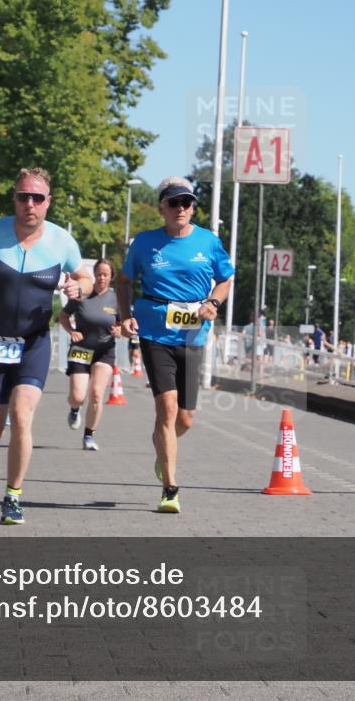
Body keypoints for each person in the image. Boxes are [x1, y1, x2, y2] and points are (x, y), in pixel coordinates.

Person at [0, 167, 92, 525]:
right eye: (23, 197)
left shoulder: (62, 241)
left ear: (48, 202)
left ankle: (13, 496)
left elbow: (86, 277)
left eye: (37, 198)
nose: (29, 204)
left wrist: (80, 289)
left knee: (22, 416)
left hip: (34, 342)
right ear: (14, 198)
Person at [117, 175, 234, 514]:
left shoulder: (209, 242)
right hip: (155, 332)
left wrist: (214, 301)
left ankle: (162, 452)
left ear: (193, 208)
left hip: (193, 335)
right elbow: (125, 281)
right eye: (174, 202)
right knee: (166, 409)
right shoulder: (144, 243)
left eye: (186, 202)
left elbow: (226, 278)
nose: (180, 208)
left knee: (185, 419)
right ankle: (170, 489)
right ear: (162, 207)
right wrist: (125, 317)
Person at [60, 258, 121, 451]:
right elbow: (63, 316)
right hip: (81, 349)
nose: (102, 278)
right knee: (78, 396)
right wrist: (71, 331)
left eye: (106, 274)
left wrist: (120, 330)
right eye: (99, 274)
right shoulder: (83, 293)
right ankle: (75, 408)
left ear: (111, 277)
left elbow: (124, 324)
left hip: (104, 350)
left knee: (96, 394)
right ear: (94, 275)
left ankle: (89, 435)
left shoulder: (116, 299)